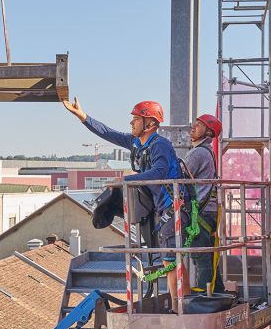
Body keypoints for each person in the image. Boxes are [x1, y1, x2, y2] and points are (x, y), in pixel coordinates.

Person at [62, 95, 185, 309]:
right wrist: (83, 117)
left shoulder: (160, 146)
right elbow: (109, 133)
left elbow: (159, 172)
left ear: (151, 124)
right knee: (168, 259)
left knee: (171, 260)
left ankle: (179, 306)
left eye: (136, 119)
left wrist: (125, 180)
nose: (131, 123)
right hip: (158, 207)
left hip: (171, 207)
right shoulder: (136, 143)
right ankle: (177, 305)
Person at [185, 113, 224, 292]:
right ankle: (217, 292)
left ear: (208, 133)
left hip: (200, 213)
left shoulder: (199, 153)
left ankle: (204, 298)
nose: (193, 127)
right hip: (207, 212)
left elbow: (178, 175)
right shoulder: (206, 152)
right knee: (206, 257)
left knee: (201, 258)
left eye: (199, 125)